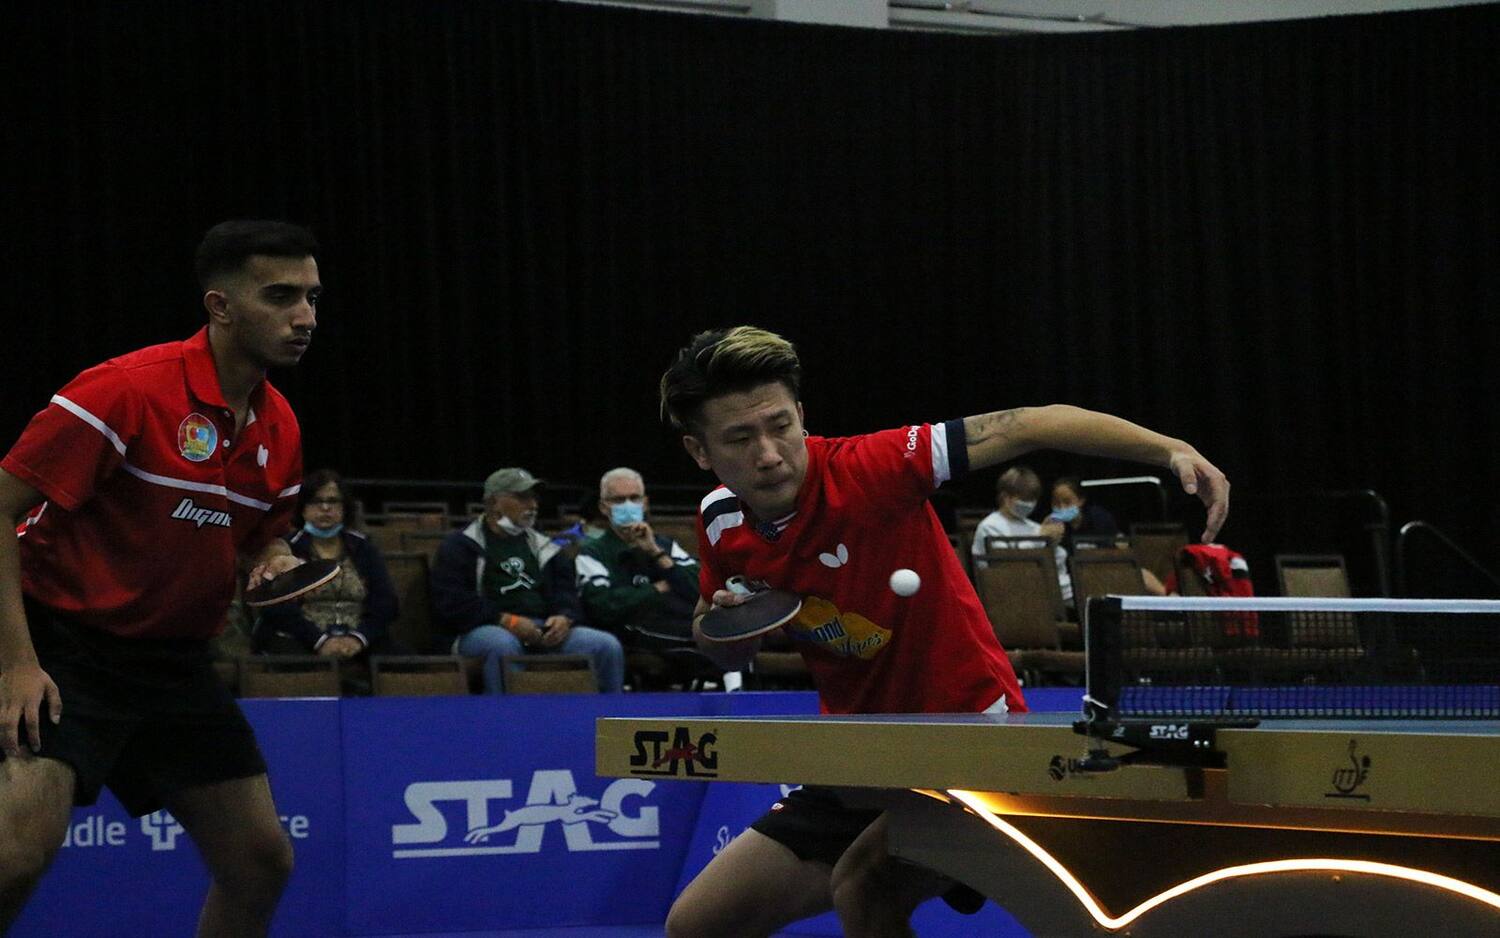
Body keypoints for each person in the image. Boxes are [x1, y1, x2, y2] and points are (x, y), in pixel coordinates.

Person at [658, 326, 1228, 938]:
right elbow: (711, 632)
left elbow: (1030, 424)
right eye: (740, 438)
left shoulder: (873, 467)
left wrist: (1170, 449)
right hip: (861, 755)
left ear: (801, 415)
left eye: (779, 426)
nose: (768, 453)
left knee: (865, 887)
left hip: (970, 738)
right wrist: (730, 632)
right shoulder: (720, 522)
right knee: (696, 925)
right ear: (700, 451)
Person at [0, 220, 321, 936]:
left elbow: (260, 540)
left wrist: (271, 561)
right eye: (281, 296)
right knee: (14, 856)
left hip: (171, 661)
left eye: (311, 297)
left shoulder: (280, 428)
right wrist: (16, 664)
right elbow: (1, 508)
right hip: (61, 644)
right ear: (220, 306)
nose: (304, 318)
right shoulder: (124, 390)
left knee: (259, 860)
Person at [429, 467, 625, 694]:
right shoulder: (460, 545)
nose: (533, 505)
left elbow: (567, 592)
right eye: (522, 497)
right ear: (493, 503)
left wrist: (564, 617)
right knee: (501, 645)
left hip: (541, 628)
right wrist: (507, 621)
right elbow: (452, 603)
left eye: (534, 497)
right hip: (483, 629)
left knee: (605, 645)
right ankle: (509, 722)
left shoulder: (546, 547)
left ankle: (610, 722)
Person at [253, 469, 399, 658]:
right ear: (302, 507)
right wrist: (319, 641)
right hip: (300, 637)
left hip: (357, 638)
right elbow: (277, 607)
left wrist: (359, 638)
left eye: (332, 501)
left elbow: (386, 602)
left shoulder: (363, 548)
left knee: (401, 662)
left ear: (344, 507)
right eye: (316, 501)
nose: (325, 508)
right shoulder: (287, 548)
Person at [576, 467, 701, 647]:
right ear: (603, 507)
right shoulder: (593, 553)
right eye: (618, 500)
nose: (628, 505)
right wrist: (656, 590)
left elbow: (700, 588)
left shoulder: (665, 545)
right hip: (630, 632)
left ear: (645, 503)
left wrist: (656, 552)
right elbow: (601, 606)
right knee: (706, 643)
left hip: (677, 623)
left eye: (634, 498)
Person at [970, 465, 1073, 604]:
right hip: (1008, 594)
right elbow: (1008, 568)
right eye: (1024, 499)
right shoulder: (989, 527)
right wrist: (1040, 539)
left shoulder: (1034, 527)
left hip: (1044, 586)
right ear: (1006, 497)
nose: (1029, 504)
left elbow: (1056, 566)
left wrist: (1052, 544)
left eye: (1033, 499)